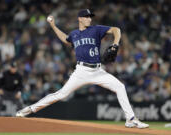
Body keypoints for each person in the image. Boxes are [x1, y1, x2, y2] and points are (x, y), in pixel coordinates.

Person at [16, 9, 149, 128]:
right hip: (81, 71)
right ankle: (28, 110)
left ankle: (130, 119)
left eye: (90, 17)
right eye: (86, 17)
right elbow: (65, 39)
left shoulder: (96, 29)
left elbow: (116, 30)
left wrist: (115, 44)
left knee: (120, 87)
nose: (89, 19)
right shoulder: (74, 34)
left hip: (98, 71)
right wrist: (53, 26)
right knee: (61, 94)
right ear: (79, 18)